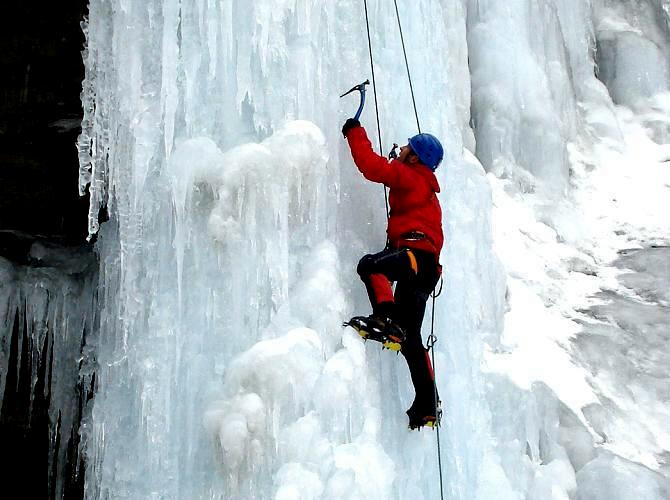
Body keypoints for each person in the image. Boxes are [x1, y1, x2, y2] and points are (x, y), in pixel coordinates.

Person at [341, 117, 444, 429]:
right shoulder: (425, 186)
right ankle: (427, 404)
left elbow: (372, 167)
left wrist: (354, 132)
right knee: (411, 337)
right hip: (426, 269)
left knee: (371, 266)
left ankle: (385, 318)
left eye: (408, 149)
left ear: (415, 158)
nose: (401, 150)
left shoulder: (410, 176)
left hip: (414, 256)